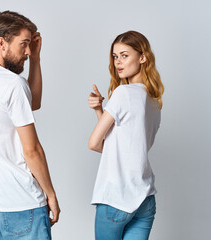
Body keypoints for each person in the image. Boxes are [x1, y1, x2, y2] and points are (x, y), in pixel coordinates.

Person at [0, 11, 60, 240]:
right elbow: (32, 150)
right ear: (1, 43)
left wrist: (36, 59)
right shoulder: (12, 84)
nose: (27, 52)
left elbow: (31, 102)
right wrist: (51, 194)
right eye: (24, 45)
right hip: (21, 205)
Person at [88, 30, 164, 240]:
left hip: (116, 197)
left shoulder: (122, 93)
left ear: (142, 57)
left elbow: (95, 143)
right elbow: (129, 142)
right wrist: (99, 111)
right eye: (115, 56)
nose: (118, 62)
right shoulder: (154, 101)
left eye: (124, 55)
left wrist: (99, 110)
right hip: (145, 198)